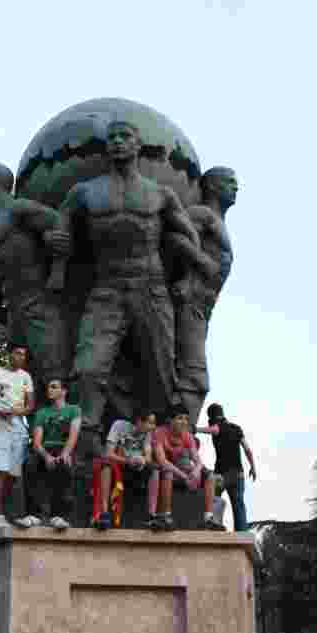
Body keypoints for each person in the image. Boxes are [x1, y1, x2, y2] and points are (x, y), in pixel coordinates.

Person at [45, 119, 217, 490]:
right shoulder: (85, 192)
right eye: (113, 138)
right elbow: (62, 224)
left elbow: (187, 236)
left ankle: (158, 452)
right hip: (107, 288)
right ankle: (86, 447)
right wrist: (58, 264)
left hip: (151, 287)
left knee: (160, 370)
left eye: (126, 137)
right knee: (89, 368)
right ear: (107, 148)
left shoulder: (159, 194)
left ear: (137, 146)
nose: (119, 143)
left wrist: (186, 278)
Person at [0, 162, 70, 393]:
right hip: (15, 310)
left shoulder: (17, 209)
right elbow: (5, 270)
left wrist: (57, 272)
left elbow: (59, 223)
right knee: (21, 381)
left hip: (37, 303)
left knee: (53, 373)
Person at [169, 166, 238, 426]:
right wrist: (191, 273)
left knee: (189, 373)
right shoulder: (202, 214)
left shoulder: (218, 221)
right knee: (195, 377)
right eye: (229, 182)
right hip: (190, 304)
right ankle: (183, 436)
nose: (235, 187)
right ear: (211, 186)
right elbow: (176, 237)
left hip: (203, 308)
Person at [0, 343, 41, 529]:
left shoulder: (25, 377)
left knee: (14, 474)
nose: (21, 358)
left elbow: (30, 404)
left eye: (24, 355)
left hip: (18, 426)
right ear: (9, 354)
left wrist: (21, 411)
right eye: (18, 354)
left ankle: (8, 515)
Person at [152, 405, 226, 530]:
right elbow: (162, 461)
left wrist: (196, 472)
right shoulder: (159, 432)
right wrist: (185, 476)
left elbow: (197, 460)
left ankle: (208, 518)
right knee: (167, 472)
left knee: (210, 476)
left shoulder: (187, 436)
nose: (184, 422)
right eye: (180, 418)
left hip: (181, 471)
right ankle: (165, 516)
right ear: (170, 421)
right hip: (164, 471)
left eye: (186, 419)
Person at [26, 377, 81, 529]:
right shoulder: (42, 412)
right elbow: (37, 443)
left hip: (64, 448)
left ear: (64, 391)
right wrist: (47, 457)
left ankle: (58, 516)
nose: (49, 389)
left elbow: (73, 435)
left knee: (65, 467)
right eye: (49, 387)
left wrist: (65, 454)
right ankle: (33, 515)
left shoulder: (74, 410)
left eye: (54, 387)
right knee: (30, 464)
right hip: (45, 449)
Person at [91, 410, 160, 530]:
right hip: (119, 465)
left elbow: (148, 457)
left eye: (153, 423)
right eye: (150, 423)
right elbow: (108, 453)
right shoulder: (119, 426)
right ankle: (104, 513)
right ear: (139, 422)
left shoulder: (148, 433)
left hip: (136, 469)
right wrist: (128, 460)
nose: (153, 427)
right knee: (106, 466)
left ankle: (152, 515)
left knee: (155, 470)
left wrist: (142, 460)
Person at [205, 402, 257, 531]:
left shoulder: (217, 426)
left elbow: (214, 430)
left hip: (222, 474)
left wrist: (195, 429)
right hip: (238, 474)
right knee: (238, 504)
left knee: (213, 496)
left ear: (212, 418)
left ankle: (215, 525)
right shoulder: (236, 428)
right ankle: (242, 532)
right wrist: (253, 466)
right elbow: (247, 449)